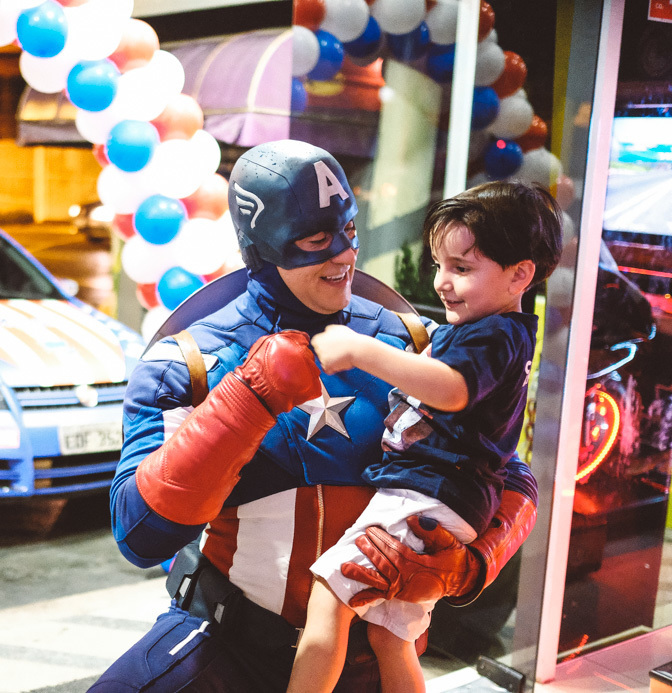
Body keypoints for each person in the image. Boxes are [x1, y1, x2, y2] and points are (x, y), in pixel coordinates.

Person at [90, 140, 540, 692]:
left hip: (364, 655)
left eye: (349, 231)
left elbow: (509, 473)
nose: (343, 254)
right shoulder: (190, 363)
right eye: (314, 239)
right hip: (229, 641)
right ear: (265, 245)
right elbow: (140, 535)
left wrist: (472, 563)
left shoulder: (407, 339)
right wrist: (244, 402)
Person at [287, 182, 563, 693]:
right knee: (393, 637)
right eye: (439, 265)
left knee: (327, 595)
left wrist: (359, 350)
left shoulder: (496, 333)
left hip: (425, 496)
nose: (442, 282)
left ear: (520, 274)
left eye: (462, 268)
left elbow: (451, 389)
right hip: (442, 500)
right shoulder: (487, 328)